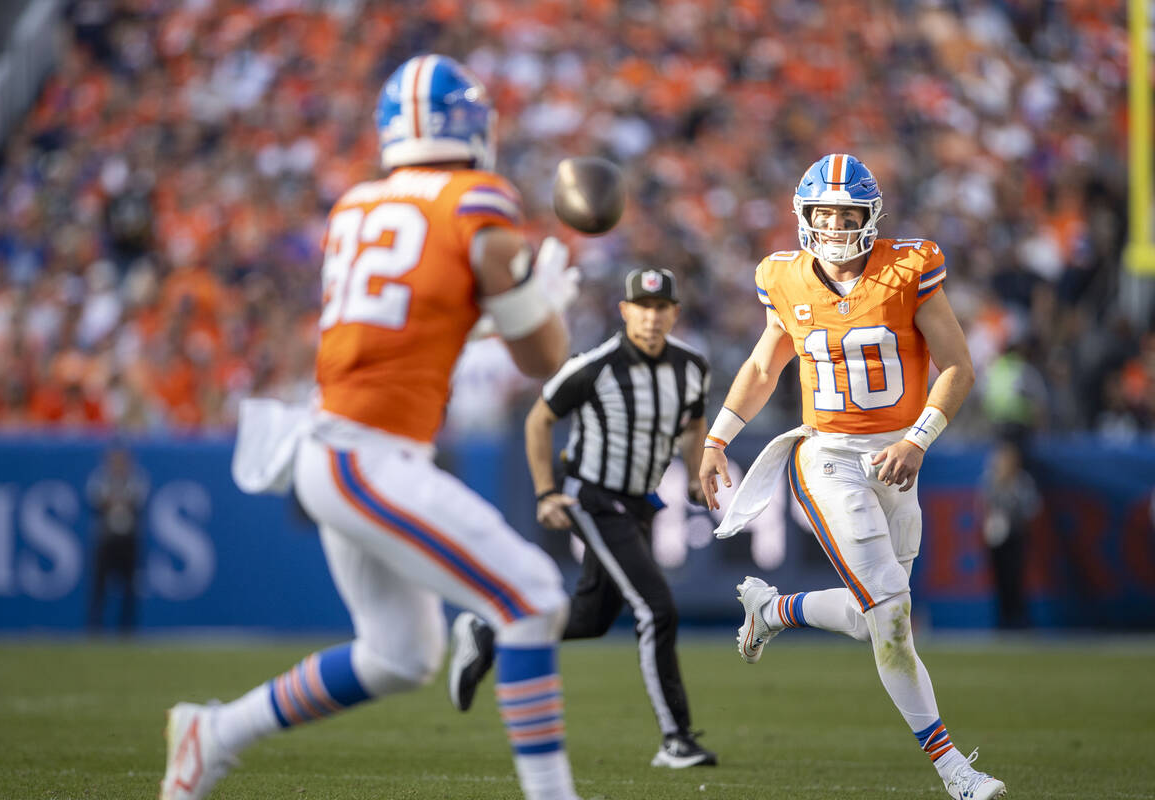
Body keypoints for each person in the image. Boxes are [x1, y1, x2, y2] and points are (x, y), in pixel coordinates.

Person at [160, 54, 583, 800]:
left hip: (339, 447)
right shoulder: (478, 200)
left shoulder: (355, 205)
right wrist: (533, 303)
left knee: (399, 655)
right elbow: (545, 358)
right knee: (533, 598)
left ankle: (213, 733)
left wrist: (503, 305)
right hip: (365, 456)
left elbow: (411, 330)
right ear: (473, 126)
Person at [698, 154, 1007, 800]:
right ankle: (954, 770)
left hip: (898, 459)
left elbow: (957, 366)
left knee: (880, 619)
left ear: (870, 217)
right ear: (803, 217)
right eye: (824, 214)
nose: (835, 226)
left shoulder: (908, 269)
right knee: (892, 612)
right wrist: (718, 436)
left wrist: (920, 439)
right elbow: (762, 367)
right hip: (828, 458)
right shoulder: (784, 279)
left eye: (847, 214)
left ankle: (772, 609)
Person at [448, 268, 717, 768]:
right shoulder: (595, 366)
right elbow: (539, 418)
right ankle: (676, 738)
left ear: (674, 313)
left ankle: (490, 631)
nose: (652, 317)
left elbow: (695, 420)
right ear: (625, 310)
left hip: (640, 502)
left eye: (661, 308)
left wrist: (699, 475)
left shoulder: (692, 367)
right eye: (642, 306)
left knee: (592, 620)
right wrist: (547, 491)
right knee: (656, 608)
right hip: (594, 498)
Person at [85, 445, 148, 634]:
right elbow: (98, 500)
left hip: (128, 540)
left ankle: (127, 628)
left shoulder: (136, 479)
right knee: (99, 585)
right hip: (106, 538)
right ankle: (95, 627)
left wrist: (116, 500)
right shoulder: (100, 479)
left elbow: (136, 500)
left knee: (130, 586)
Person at [980, 435, 1040, 629]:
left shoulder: (1022, 481)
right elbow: (983, 505)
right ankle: (1003, 619)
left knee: (1015, 577)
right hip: (996, 538)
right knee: (999, 578)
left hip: (1016, 535)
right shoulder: (991, 479)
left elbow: (1032, 507)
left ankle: (1019, 619)